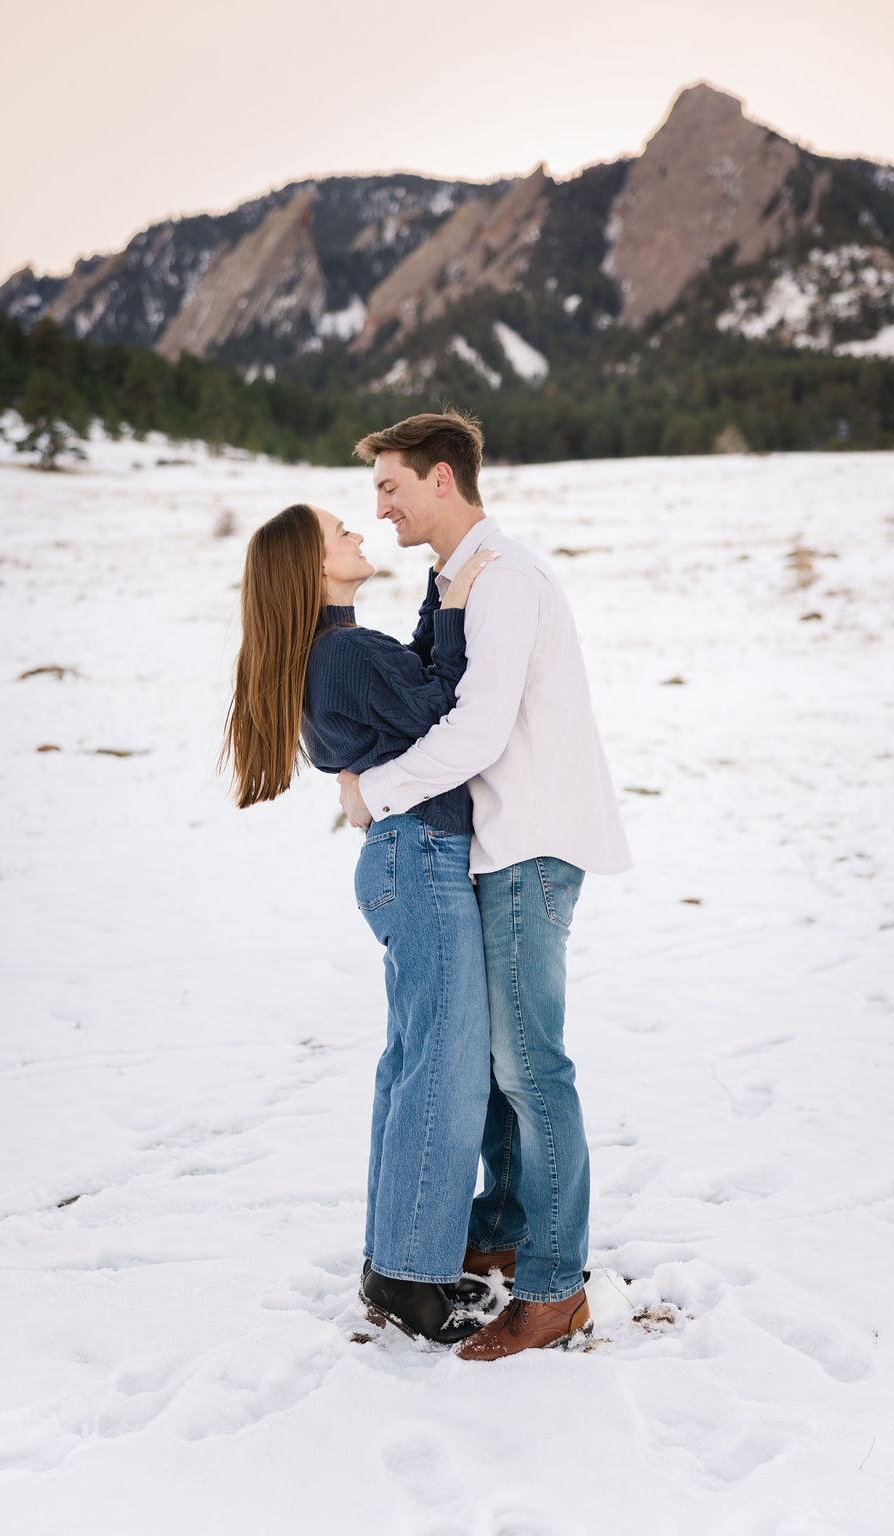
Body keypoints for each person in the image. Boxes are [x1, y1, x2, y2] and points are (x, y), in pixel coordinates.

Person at [337, 409, 633, 1361]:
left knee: (531, 1069)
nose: (378, 506)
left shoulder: (503, 582)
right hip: (502, 843)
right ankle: (505, 1225)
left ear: (441, 480)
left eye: (390, 486)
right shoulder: (458, 579)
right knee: (509, 1072)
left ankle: (554, 1289)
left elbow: (479, 732)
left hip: (531, 844)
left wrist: (375, 793)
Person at [218, 501, 500, 1344]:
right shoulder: (342, 653)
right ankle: (411, 1277)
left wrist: (436, 602)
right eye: (339, 533)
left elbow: (409, 680)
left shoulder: (342, 650)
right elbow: (446, 706)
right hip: (420, 861)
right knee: (441, 1069)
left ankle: (396, 1261)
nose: (357, 535)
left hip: (405, 861)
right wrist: (452, 611)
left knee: (417, 1060)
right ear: (311, 568)